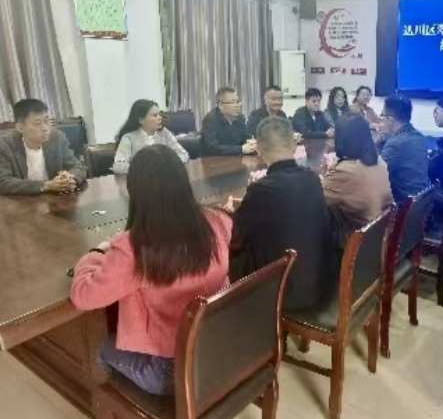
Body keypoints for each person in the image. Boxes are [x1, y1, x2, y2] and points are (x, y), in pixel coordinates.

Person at [70, 145, 232, 395]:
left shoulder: (134, 248)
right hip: (220, 348)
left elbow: (83, 296)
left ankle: (116, 409)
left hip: (171, 373)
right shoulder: (217, 221)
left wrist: (95, 254)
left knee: (102, 349)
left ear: (134, 191)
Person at [228, 116, 337, 311]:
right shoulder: (312, 179)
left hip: (283, 294)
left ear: (259, 150)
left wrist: (230, 214)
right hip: (322, 284)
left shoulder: (261, 190)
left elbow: (238, 238)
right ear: (294, 145)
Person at [323, 113, 393, 233]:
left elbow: (318, 198)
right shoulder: (379, 161)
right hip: (381, 233)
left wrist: (327, 173)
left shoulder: (345, 170)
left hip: (358, 239)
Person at [0, 99, 86, 195]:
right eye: (37, 123)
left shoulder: (56, 138)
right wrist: (46, 185)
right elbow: (3, 182)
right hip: (20, 200)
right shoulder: (4, 145)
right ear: (20, 128)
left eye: (47, 121)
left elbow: (78, 167)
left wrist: (70, 178)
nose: (45, 128)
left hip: (55, 198)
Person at [113, 100, 189, 175]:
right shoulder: (128, 138)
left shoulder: (164, 133)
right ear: (141, 120)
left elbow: (183, 154)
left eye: (159, 114)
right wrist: (145, 169)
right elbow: (118, 166)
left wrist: (168, 165)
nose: (160, 118)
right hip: (140, 180)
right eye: (155, 115)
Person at [379, 95, 430, 202]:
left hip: (403, 204)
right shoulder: (418, 137)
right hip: (422, 201)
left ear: (390, 119)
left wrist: (374, 144)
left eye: (382, 116)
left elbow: (375, 172)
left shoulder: (395, 144)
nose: (381, 121)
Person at [201, 88, 255, 156]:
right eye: (233, 102)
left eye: (238, 102)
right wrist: (241, 149)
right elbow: (212, 148)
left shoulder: (240, 118)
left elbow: (245, 138)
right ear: (220, 105)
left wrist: (252, 144)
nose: (237, 105)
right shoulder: (210, 120)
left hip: (236, 159)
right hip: (213, 160)